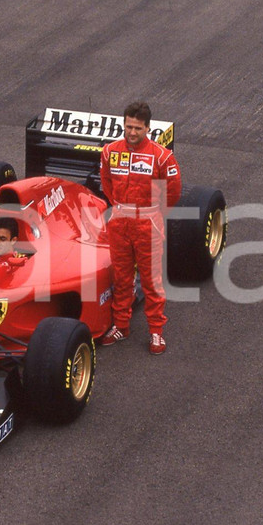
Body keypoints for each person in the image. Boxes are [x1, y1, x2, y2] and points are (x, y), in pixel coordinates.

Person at [99, 101, 182, 354]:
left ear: (148, 128)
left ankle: (156, 332)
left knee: (151, 280)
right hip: (120, 221)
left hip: (148, 223)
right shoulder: (109, 152)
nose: (132, 132)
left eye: (137, 127)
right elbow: (106, 182)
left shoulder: (162, 156)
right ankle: (121, 326)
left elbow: (173, 191)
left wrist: (153, 213)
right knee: (121, 278)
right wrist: (119, 207)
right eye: (128, 127)